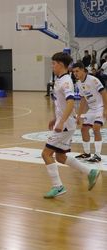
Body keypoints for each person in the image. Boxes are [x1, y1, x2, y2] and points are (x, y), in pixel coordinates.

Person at [41, 52, 100, 199]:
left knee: (46, 154)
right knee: (60, 156)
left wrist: (60, 122)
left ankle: (58, 186)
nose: (52, 66)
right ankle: (90, 172)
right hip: (66, 123)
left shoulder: (66, 81)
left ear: (60, 64)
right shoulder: (60, 79)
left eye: (53, 63)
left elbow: (70, 102)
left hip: (65, 124)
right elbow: (60, 104)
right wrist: (55, 118)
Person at [73, 62, 107, 162]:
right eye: (74, 71)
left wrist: (105, 109)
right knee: (84, 129)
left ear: (83, 70)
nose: (75, 73)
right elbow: (83, 100)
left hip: (100, 107)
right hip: (92, 109)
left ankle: (97, 155)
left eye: (77, 71)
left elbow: (104, 93)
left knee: (96, 128)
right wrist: (79, 115)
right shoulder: (79, 83)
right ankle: (87, 153)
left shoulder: (93, 80)